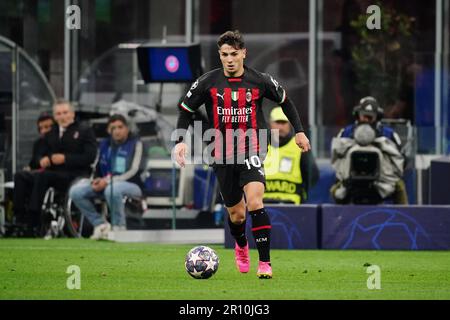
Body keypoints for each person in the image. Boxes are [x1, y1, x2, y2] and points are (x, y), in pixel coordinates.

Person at [173, 30, 311, 279]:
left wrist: (299, 132)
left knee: (256, 201)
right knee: (237, 215)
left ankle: (265, 263)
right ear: (220, 55)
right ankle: (241, 244)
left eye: (234, 54)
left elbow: (286, 102)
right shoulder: (207, 82)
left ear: (243, 53)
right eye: (224, 54)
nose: (229, 59)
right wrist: (180, 140)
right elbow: (185, 109)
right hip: (221, 152)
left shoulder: (260, 80)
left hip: (252, 146)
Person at [25, 99, 97, 235]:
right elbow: (38, 156)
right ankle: (22, 216)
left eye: (65, 112)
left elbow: (89, 157)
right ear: (55, 116)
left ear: (72, 114)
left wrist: (66, 158)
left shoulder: (84, 131)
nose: (62, 116)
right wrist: (42, 159)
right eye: (58, 114)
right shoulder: (50, 134)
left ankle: (33, 217)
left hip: (76, 175)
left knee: (42, 176)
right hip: (55, 174)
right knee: (25, 176)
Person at [69, 114, 144, 240]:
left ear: (127, 128)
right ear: (109, 130)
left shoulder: (136, 144)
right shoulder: (104, 144)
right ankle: (101, 225)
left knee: (112, 190)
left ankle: (119, 227)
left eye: (120, 127)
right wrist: (95, 180)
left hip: (132, 184)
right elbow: (96, 166)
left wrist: (108, 181)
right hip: (105, 184)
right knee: (75, 191)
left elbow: (133, 171)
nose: (116, 131)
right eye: (113, 128)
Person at [330, 96, 408, 204]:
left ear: (377, 117)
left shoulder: (388, 134)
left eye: (370, 117)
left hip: (382, 179)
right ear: (358, 115)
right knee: (335, 190)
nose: (366, 120)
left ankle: (403, 218)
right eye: (364, 116)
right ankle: (337, 219)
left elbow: (401, 159)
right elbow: (336, 158)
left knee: (400, 186)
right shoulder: (346, 133)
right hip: (350, 180)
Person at [263, 107, 319, 204]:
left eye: (283, 123)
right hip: (263, 204)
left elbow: (312, 175)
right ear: (270, 124)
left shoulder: (299, 146)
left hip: (293, 205)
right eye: (277, 122)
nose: (280, 127)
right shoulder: (260, 145)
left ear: (289, 124)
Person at [12, 112, 54, 234]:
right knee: (19, 175)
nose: (44, 131)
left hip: (51, 174)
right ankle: (19, 216)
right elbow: (34, 162)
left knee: (40, 176)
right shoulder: (38, 144)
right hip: (37, 173)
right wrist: (29, 168)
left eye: (48, 127)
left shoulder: (58, 141)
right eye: (41, 128)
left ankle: (33, 216)